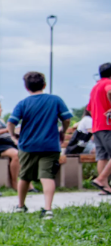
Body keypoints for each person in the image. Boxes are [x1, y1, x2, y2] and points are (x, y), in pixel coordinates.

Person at [7, 71, 73, 219]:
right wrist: (63, 131)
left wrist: (13, 136)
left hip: (28, 145)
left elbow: (11, 122)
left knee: (25, 176)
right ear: (44, 85)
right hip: (50, 145)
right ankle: (48, 209)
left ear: (26, 87)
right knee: (47, 176)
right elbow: (67, 119)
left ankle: (20, 206)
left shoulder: (23, 103)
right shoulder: (55, 100)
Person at [86, 63, 111, 194]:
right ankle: (101, 180)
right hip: (108, 125)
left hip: (97, 127)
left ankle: (104, 188)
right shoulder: (108, 83)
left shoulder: (95, 87)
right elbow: (110, 91)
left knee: (102, 157)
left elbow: (89, 109)